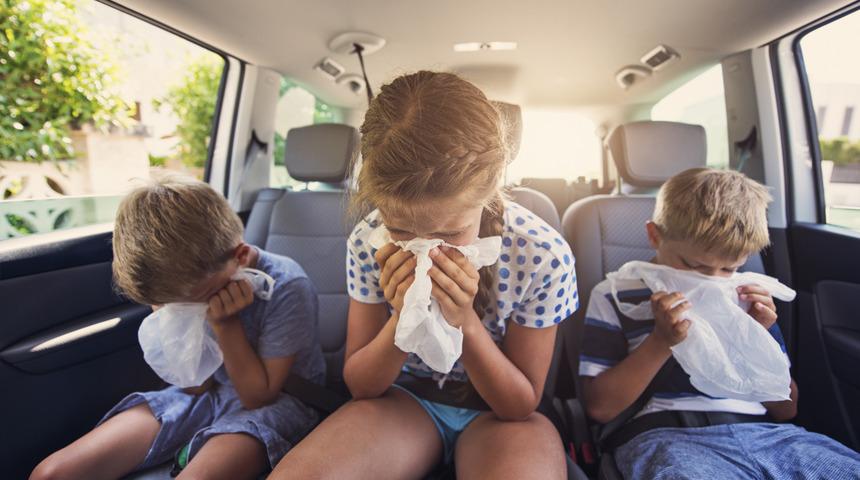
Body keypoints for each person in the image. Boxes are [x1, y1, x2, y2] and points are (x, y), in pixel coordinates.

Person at [270, 71, 577, 479]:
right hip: (403, 399)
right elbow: (361, 385)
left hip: (499, 418)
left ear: (490, 189)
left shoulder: (542, 255)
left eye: (450, 233)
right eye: (402, 232)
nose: (426, 249)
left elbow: (519, 405)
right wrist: (403, 317)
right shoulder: (368, 241)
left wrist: (462, 319)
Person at [30, 177, 325, 480]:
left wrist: (226, 324)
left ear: (239, 257)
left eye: (194, 300)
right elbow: (194, 385)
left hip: (279, 403)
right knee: (51, 473)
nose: (185, 310)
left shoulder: (288, 286)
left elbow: (257, 397)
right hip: (208, 393)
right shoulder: (174, 285)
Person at [579, 167, 860, 479]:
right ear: (654, 235)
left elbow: (786, 409)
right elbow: (600, 408)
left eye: (728, 269)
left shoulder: (746, 298)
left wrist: (756, 336)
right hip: (668, 436)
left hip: (769, 436)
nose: (710, 280)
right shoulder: (617, 295)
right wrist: (661, 341)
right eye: (694, 265)